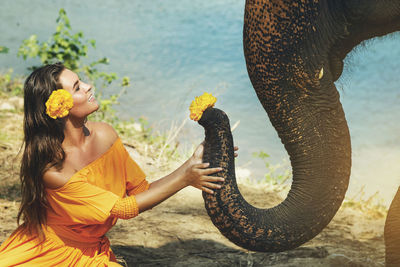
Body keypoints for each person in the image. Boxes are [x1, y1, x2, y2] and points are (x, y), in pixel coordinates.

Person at [0, 63, 236, 266]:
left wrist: (192, 164)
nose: (88, 86)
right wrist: (185, 177)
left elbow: (141, 193)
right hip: (50, 254)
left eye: (81, 81)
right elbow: (123, 209)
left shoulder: (105, 135)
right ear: (58, 108)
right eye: (77, 88)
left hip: (92, 252)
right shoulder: (53, 171)